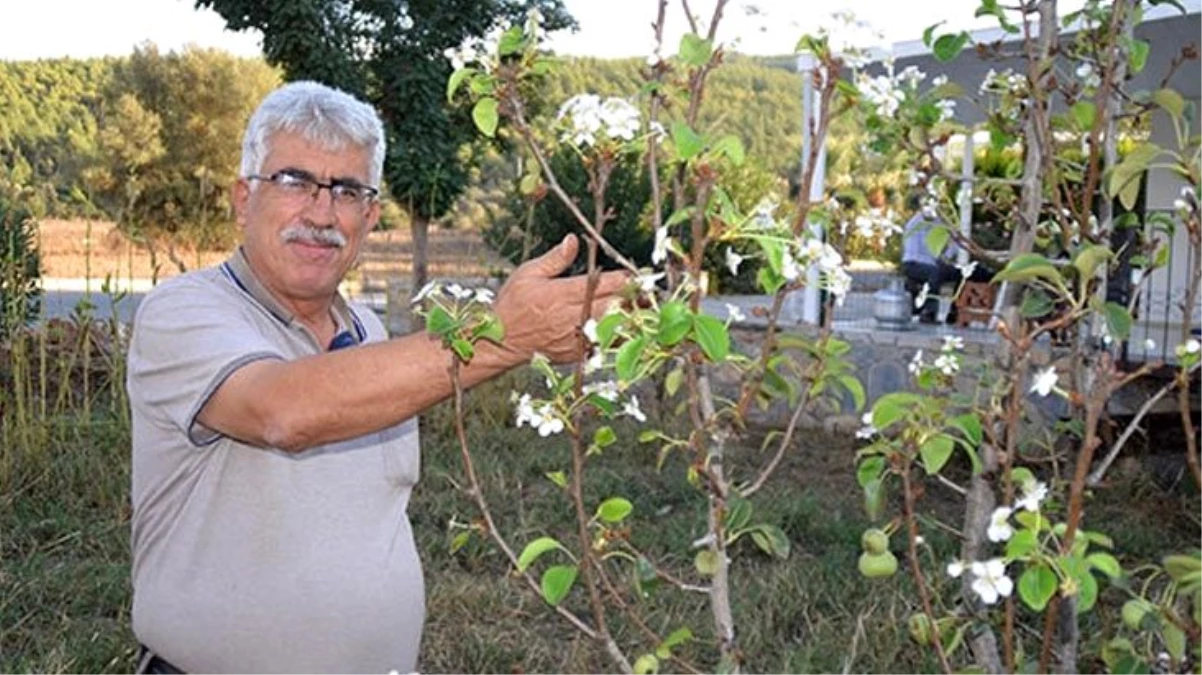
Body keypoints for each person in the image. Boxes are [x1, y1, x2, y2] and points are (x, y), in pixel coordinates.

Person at [126, 81, 626, 675]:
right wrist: (504, 334)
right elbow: (280, 411)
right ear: (242, 198)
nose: (321, 213)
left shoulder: (367, 331)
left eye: (347, 191)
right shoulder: (184, 311)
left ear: (369, 216)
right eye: (293, 180)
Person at [900, 197, 990, 324]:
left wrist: (947, 256)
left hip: (935, 264)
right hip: (913, 264)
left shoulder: (940, 222)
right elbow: (915, 253)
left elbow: (955, 243)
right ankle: (928, 313)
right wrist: (939, 259)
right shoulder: (914, 225)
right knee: (935, 273)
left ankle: (954, 312)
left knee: (962, 273)